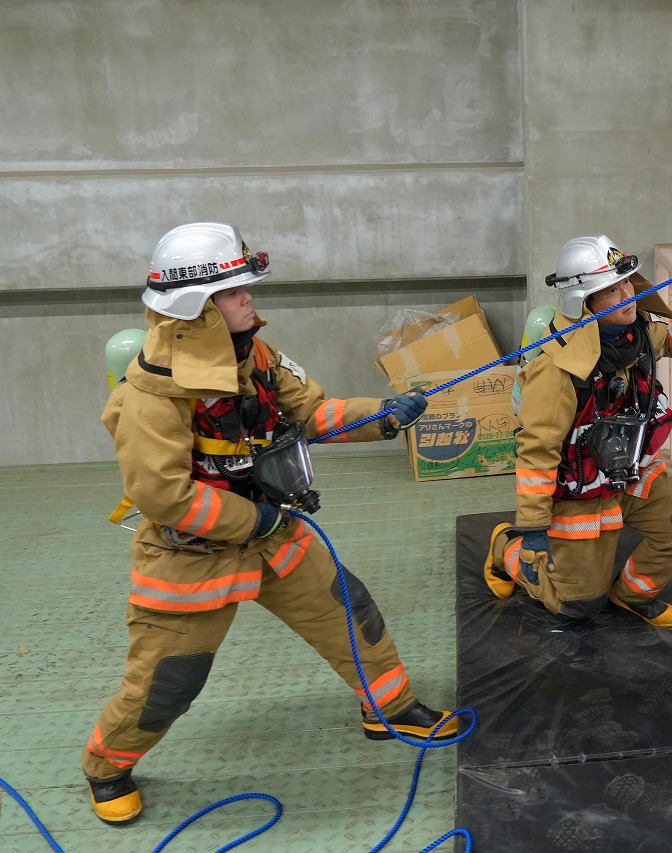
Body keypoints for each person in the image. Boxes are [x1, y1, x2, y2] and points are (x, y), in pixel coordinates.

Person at [84, 222, 458, 825]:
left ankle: (389, 706)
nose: (248, 300)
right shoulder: (151, 396)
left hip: (275, 535)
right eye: (234, 293)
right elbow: (163, 494)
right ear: (199, 308)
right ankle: (107, 766)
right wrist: (250, 517)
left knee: (348, 609)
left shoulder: (254, 354)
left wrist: (383, 414)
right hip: (193, 556)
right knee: (168, 682)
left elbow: (312, 411)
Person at [479, 234, 672, 626]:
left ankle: (632, 595)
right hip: (581, 490)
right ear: (584, 302)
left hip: (628, 470)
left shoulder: (630, 335)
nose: (628, 294)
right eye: (611, 290)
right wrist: (532, 527)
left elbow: (663, 340)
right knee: (577, 605)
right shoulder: (557, 370)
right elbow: (537, 451)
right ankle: (507, 550)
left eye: (626, 283)